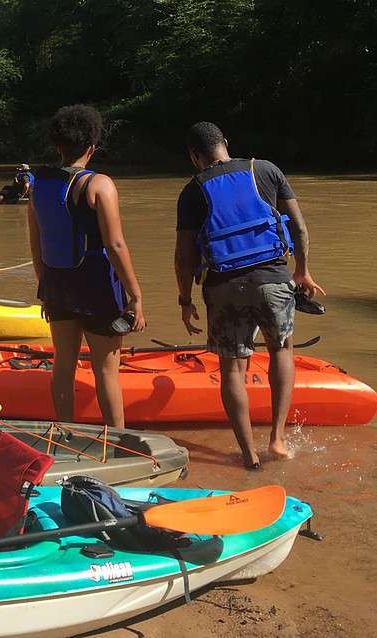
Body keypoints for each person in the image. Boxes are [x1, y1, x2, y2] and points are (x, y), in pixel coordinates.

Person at [174, 121, 323, 469]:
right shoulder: (266, 170)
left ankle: (248, 455)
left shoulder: (193, 190)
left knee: (232, 369)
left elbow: (184, 257)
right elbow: (298, 227)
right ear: (225, 142)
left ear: (194, 157)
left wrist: (185, 300)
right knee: (281, 350)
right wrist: (302, 270)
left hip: (225, 286)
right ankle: (278, 440)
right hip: (274, 278)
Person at [27, 104, 146, 428]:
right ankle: (118, 442)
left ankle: (65, 430)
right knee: (106, 369)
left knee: (63, 363)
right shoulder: (99, 184)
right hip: (96, 287)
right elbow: (116, 244)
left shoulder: (38, 185)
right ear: (92, 146)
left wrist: (45, 287)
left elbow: (36, 243)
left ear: (58, 145)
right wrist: (135, 297)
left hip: (56, 285)